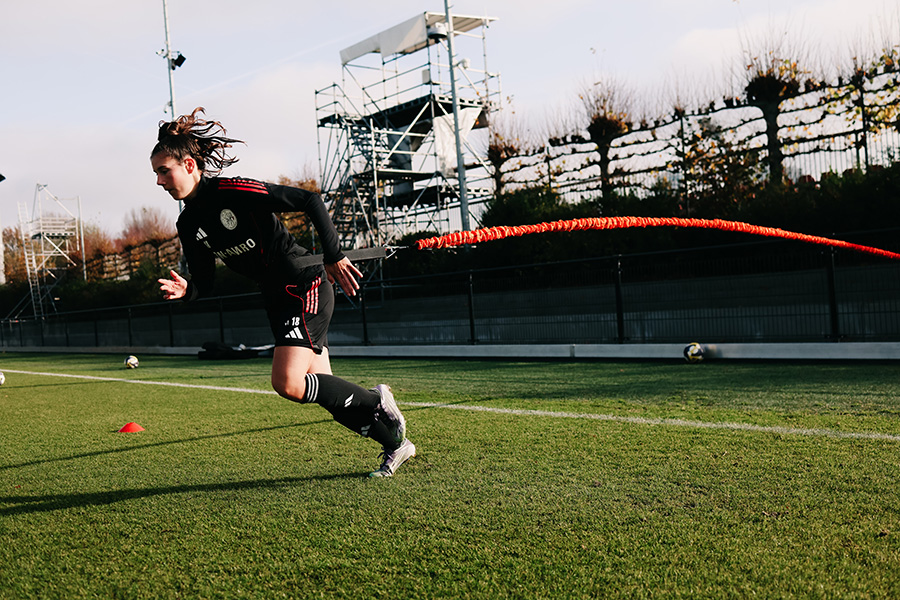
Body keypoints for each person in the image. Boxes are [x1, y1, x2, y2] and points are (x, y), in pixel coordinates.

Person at [151, 107, 415, 477]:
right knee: (329, 395)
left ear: (190, 165)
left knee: (287, 382)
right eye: (156, 174)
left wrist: (334, 256)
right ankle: (396, 445)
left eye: (165, 171)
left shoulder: (233, 190)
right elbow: (204, 282)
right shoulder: (188, 222)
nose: (160, 181)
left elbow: (309, 201)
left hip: (304, 284)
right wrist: (187, 291)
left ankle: (377, 399)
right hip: (276, 298)